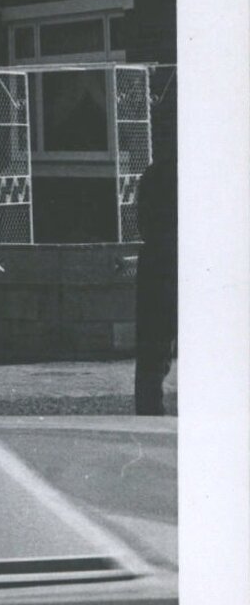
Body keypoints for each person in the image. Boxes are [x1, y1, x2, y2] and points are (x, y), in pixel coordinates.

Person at [133, 130, 177, 416]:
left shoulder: (153, 175)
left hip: (156, 260)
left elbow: (142, 220)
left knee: (152, 348)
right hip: (181, 259)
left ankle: (149, 410)